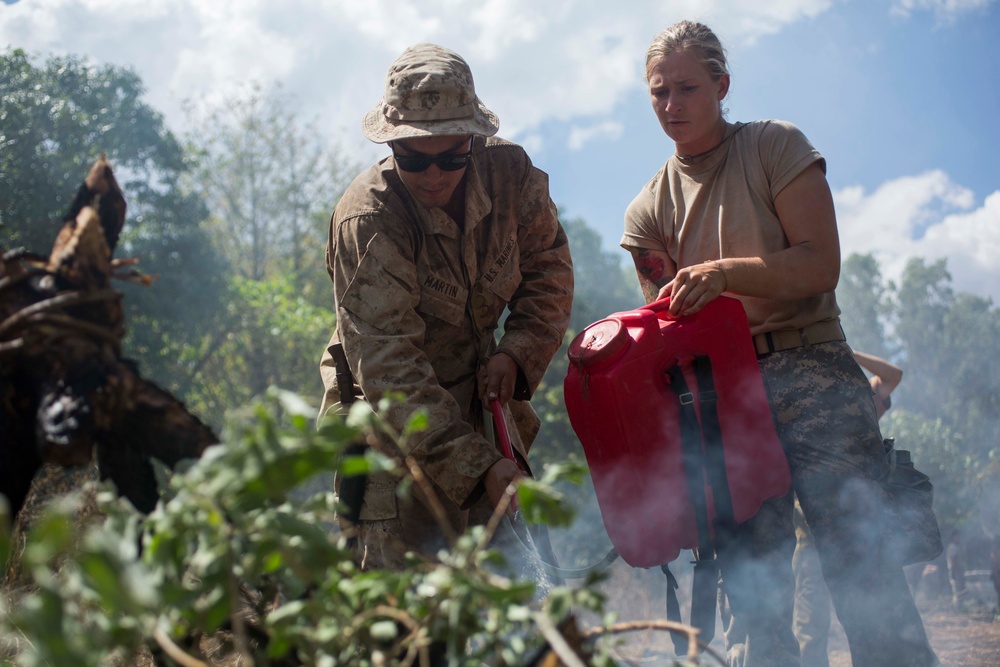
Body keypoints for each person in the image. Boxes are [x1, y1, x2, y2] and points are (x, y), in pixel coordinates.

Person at [621, 20, 936, 667]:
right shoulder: (648, 209)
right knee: (754, 599)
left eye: (687, 88)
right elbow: (664, 328)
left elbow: (820, 265)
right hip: (722, 399)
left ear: (723, 84)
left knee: (863, 574)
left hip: (813, 370)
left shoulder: (775, 148)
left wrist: (726, 274)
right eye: (659, 92)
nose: (671, 106)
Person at [317, 43, 574, 573]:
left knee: (516, 613)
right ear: (392, 146)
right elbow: (389, 369)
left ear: (474, 141)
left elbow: (549, 268)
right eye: (414, 158)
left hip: (487, 416)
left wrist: (518, 351)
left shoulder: (512, 175)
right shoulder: (367, 220)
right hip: (393, 439)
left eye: (452, 157)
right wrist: (478, 466)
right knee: (406, 626)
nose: (434, 176)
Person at [793, 350, 904, 667]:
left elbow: (893, 376)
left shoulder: (856, 405)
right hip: (811, 536)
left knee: (866, 618)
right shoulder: (798, 406)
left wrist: (842, 349)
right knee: (811, 628)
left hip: (857, 536)